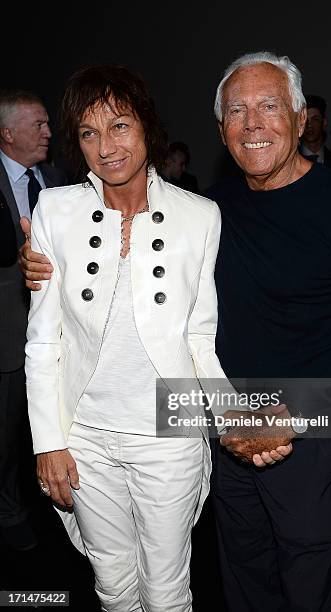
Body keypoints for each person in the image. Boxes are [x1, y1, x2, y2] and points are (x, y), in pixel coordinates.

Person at [21, 63, 291, 612]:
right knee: (113, 585)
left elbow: (200, 339)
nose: (106, 147)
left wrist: (231, 415)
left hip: (169, 438)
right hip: (86, 439)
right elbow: (43, 339)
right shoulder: (55, 210)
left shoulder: (200, 216)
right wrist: (47, 440)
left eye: (119, 126)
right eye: (89, 134)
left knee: (168, 589)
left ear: (146, 125)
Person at [205, 52, 331, 611]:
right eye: (236, 111)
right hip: (228, 424)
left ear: (299, 115)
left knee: (315, 577)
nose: (253, 123)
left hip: (307, 427)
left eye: (268, 106)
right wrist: (45, 257)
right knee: (243, 573)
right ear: (222, 129)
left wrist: (288, 416)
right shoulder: (208, 210)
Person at [0, 89, 66, 552]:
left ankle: (54, 510)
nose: (48, 133)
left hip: (54, 334)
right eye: (37, 125)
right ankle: (9, 513)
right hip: (5, 333)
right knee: (4, 435)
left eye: (47, 124)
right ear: (7, 133)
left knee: (45, 426)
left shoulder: (56, 180)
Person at [300, 93, 331, 170]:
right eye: (306, 119)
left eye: (315, 119)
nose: (309, 125)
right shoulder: (290, 160)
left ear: (324, 123)